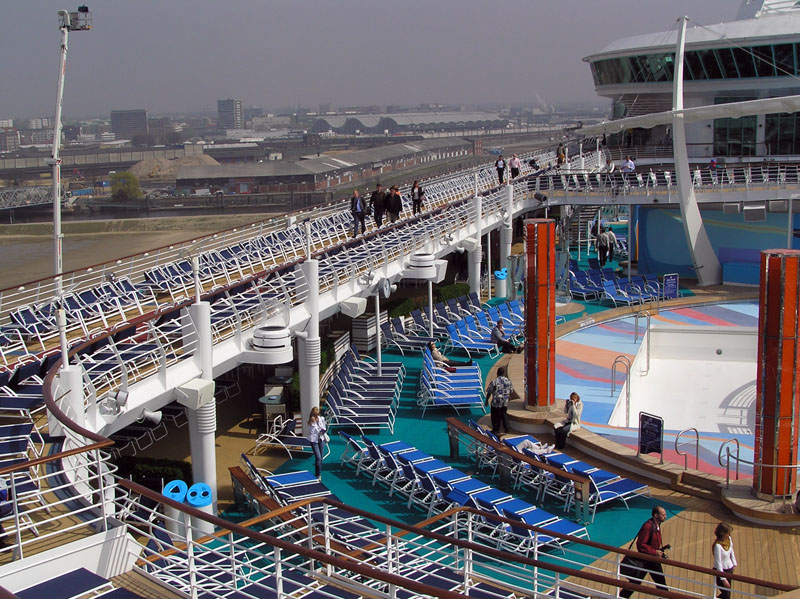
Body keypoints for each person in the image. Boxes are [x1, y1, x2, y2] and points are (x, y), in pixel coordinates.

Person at [619, 506, 670, 598]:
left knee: (656, 582)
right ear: (656, 515)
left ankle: (621, 597)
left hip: (652, 559)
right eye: (663, 515)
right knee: (640, 582)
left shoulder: (657, 524)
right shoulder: (648, 527)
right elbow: (641, 545)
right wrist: (654, 552)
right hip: (647, 560)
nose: (665, 516)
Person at [485, 366, 514, 435]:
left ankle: (496, 430)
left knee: (495, 416)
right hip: (505, 402)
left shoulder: (494, 382)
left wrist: (486, 400)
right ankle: (506, 428)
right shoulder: (508, 381)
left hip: (496, 402)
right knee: (504, 414)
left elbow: (489, 392)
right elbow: (511, 391)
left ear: (497, 373)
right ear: (503, 373)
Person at [712, 522, 737, 599]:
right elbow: (718, 562)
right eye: (727, 533)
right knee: (726, 594)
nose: (729, 535)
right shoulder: (718, 546)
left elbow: (731, 551)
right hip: (721, 571)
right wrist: (723, 579)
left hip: (729, 570)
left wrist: (734, 563)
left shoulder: (728, 539)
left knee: (727, 593)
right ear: (723, 534)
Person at [307, 406, 327, 480]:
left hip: (321, 439)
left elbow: (324, 427)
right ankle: (318, 474)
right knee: (318, 457)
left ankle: (318, 473)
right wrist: (313, 422)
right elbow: (312, 432)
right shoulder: (310, 422)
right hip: (314, 440)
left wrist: (322, 431)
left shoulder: (321, 419)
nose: (316, 416)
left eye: (317, 415)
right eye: (314, 415)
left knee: (320, 458)